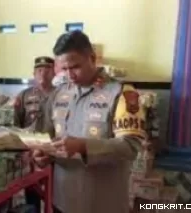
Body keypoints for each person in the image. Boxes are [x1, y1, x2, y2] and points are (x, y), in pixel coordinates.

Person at [32, 31, 147, 213]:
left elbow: (130, 147)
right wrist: (42, 155)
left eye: (75, 67)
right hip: (62, 200)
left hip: (103, 204)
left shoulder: (122, 94)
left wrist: (83, 146)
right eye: (64, 69)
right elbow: (47, 137)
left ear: (92, 58)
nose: (69, 75)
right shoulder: (58, 94)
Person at [13, 56, 55, 213]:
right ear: (33, 73)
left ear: (54, 72)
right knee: (32, 193)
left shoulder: (62, 95)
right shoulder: (23, 96)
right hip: (31, 152)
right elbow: (16, 125)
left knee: (55, 193)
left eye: (47, 70)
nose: (43, 74)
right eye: (39, 70)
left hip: (54, 152)